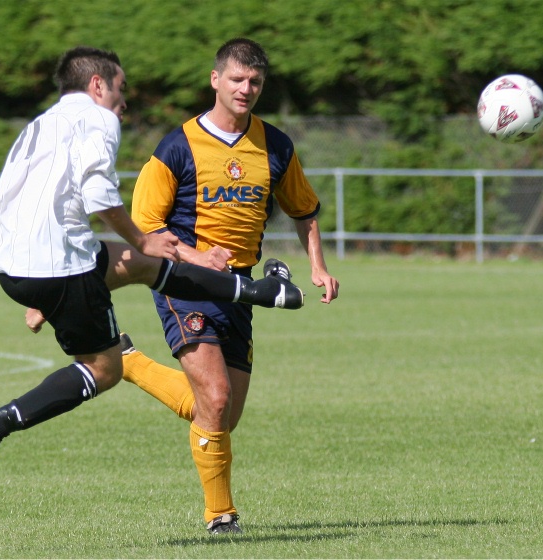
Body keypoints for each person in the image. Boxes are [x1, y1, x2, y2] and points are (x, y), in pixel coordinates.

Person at [0, 45, 306, 495]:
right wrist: (140, 237)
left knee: (143, 267)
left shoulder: (44, 123)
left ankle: (256, 292)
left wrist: (48, 296)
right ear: (97, 85)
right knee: (105, 370)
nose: (124, 101)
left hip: (13, 258)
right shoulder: (99, 118)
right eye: (120, 89)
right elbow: (98, 192)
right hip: (56, 260)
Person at [122, 38, 340, 534]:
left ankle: (129, 364)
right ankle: (221, 515)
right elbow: (143, 226)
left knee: (220, 413)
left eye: (255, 81)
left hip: (241, 289)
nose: (246, 88)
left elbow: (303, 210)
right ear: (215, 80)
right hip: (182, 282)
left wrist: (319, 267)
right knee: (215, 399)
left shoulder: (276, 145)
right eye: (237, 79)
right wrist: (199, 256)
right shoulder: (176, 146)